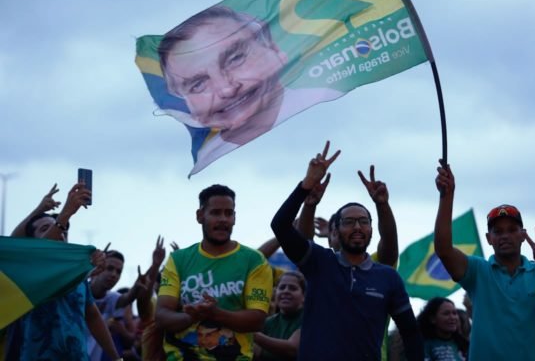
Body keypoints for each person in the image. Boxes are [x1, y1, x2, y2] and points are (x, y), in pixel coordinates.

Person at [270, 141, 423, 361]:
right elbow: (280, 225)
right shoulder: (319, 263)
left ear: (372, 228)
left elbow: (411, 333)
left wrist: (382, 204)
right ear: (336, 231)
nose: (358, 227)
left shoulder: (387, 277)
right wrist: (307, 185)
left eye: (363, 221)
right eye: (349, 222)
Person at [157, 5, 343, 174]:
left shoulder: (331, 94)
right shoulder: (216, 155)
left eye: (235, 59)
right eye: (198, 84)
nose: (227, 89)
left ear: (273, 48)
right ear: (186, 103)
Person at [433, 162, 535, 361]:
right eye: (498, 231)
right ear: (489, 238)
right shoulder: (478, 271)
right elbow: (443, 249)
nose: (505, 236)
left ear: (523, 235)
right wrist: (447, 195)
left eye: (512, 230)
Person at [155, 184, 272, 360]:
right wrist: (191, 316)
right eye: (216, 213)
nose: (223, 219)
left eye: (228, 213)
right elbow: (162, 316)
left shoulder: (254, 260)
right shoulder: (178, 260)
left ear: (234, 218)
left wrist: (215, 313)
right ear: (200, 216)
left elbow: (257, 320)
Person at [11, 182, 122, 361]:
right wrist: (55, 213)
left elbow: (93, 317)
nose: (60, 231)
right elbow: (15, 245)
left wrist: (117, 358)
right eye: (45, 228)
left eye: (60, 228)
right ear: (31, 244)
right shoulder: (30, 272)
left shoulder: (77, 275)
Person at [88, 249, 150, 361]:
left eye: (118, 272)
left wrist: (137, 287)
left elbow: (128, 297)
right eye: (110, 268)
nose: (114, 275)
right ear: (98, 267)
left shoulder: (112, 298)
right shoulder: (78, 291)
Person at [254, 271, 305, 361]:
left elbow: (292, 349)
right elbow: (256, 353)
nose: (286, 291)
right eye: (281, 287)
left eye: (292, 288)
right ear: (275, 293)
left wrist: (250, 333)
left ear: (304, 296)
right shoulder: (268, 322)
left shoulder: (309, 320)